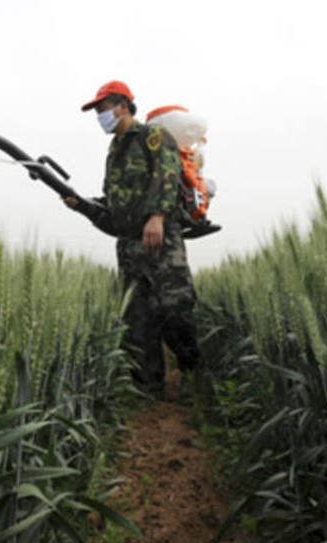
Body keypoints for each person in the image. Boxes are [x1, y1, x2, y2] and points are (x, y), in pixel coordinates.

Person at [63, 80, 201, 397]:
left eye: (102, 108)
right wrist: (82, 206)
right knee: (139, 321)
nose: (100, 115)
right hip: (128, 246)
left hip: (161, 241)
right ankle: (148, 391)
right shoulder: (114, 152)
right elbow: (115, 208)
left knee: (175, 308)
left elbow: (167, 177)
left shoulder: (153, 137)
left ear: (122, 106)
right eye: (97, 111)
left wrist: (157, 217)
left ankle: (194, 375)